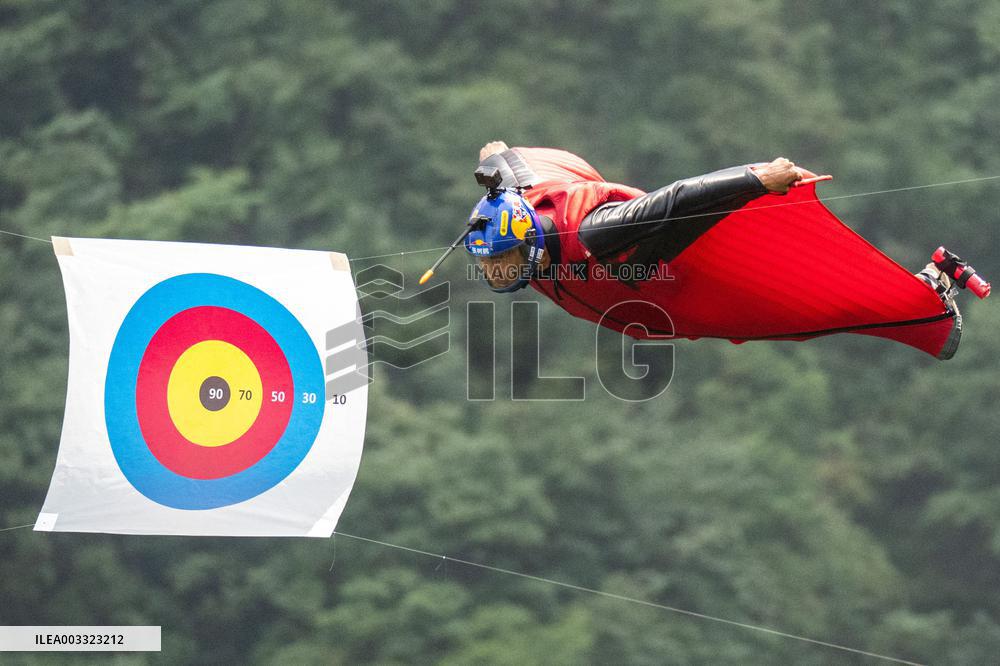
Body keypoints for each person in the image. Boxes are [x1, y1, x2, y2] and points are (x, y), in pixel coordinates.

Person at [461, 141, 988, 359]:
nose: (497, 271)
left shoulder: (595, 233)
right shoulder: (518, 214)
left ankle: (926, 299)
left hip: (680, 284)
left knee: (792, 314)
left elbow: (676, 201)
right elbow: (506, 166)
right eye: (489, 263)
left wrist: (759, 179)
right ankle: (918, 301)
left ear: (529, 241)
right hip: (634, 300)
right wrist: (498, 155)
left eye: (502, 259)